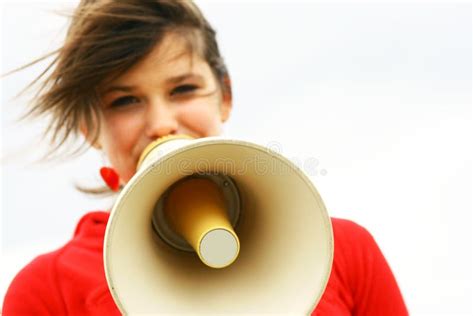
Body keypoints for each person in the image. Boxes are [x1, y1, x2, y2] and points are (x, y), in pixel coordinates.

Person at [2, 1, 408, 315]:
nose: (161, 123)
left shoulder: (344, 251)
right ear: (89, 128)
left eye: (183, 89)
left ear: (225, 95)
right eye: (124, 100)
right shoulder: (46, 291)